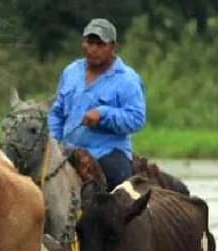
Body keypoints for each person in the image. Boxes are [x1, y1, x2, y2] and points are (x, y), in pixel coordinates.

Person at [48, 18, 146, 190]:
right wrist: (53, 144)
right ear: (83, 43)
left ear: (113, 47)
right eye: (89, 42)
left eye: (100, 44)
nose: (93, 49)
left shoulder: (127, 79)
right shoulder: (71, 72)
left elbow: (136, 118)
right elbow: (57, 113)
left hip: (108, 153)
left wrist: (104, 114)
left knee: (120, 195)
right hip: (68, 151)